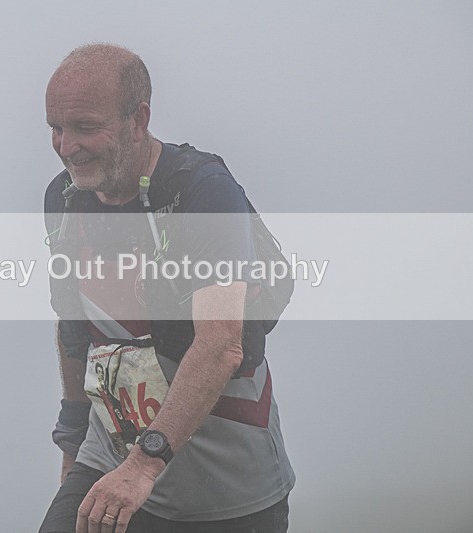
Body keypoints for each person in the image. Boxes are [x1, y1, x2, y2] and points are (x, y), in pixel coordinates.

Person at [39, 44, 295, 533]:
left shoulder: (202, 192)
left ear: (139, 119)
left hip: (227, 491)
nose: (66, 145)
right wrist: (73, 446)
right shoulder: (64, 198)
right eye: (56, 127)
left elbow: (222, 344)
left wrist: (145, 465)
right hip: (111, 461)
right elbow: (75, 328)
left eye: (86, 127)